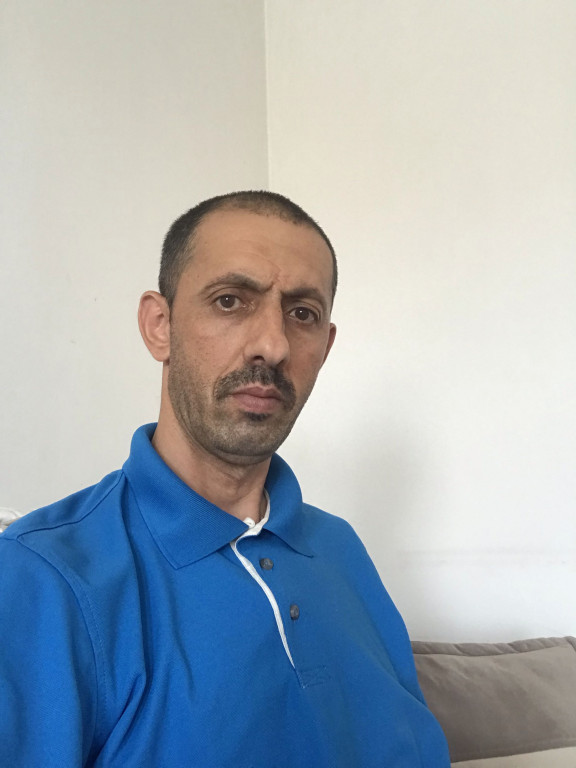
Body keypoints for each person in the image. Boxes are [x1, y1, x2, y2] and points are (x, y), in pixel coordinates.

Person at [0, 191, 450, 767]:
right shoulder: (45, 575)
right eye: (231, 301)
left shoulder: (340, 548)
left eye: (302, 313)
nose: (273, 345)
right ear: (159, 326)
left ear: (325, 347)